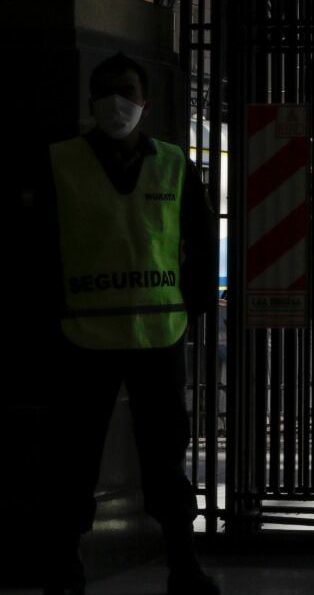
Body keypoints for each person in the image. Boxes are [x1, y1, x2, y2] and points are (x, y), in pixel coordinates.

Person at [41, 54, 220, 595]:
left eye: (126, 91)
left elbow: (202, 241)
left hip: (155, 337)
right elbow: (38, 245)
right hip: (85, 337)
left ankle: (183, 564)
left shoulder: (173, 164)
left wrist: (194, 304)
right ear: (91, 100)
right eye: (106, 91)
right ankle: (65, 563)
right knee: (75, 458)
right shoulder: (60, 162)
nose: (116, 102)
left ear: (145, 101)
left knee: (166, 459)